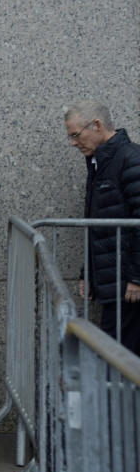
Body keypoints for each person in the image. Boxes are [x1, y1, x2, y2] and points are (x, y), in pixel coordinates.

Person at [64, 103, 140, 354]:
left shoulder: (130, 159)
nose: (74, 143)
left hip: (129, 286)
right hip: (116, 282)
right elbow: (100, 226)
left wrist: (137, 277)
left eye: (76, 135)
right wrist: (90, 272)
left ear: (97, 125)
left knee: (114, 361)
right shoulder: (101, 162)